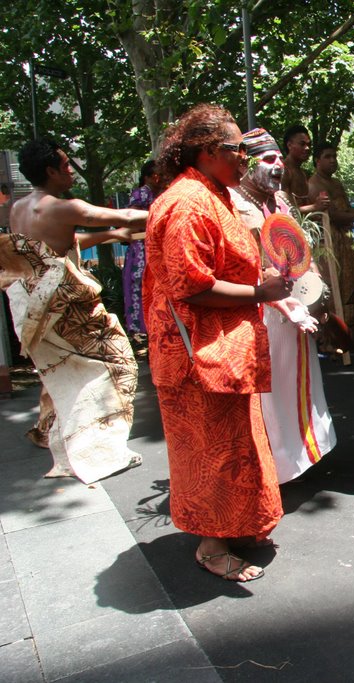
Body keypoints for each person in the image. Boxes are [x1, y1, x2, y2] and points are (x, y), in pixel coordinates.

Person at [145, 104, 292, 582]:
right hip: (196, 358)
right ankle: (211, 546)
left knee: (238, 444)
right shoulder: (188, 203)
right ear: (208, 153)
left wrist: (260, 278)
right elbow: (191, 285)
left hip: (224, 350)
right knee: (210, 451)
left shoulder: (214, 193)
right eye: (237, 151)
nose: (245, 160)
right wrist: (260, 291)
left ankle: (238, 525)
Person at [2, 139, 144, 484]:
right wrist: (182, 207)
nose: (70, 170)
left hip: (31, 307)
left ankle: (57, 434)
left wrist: (114, 235)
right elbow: (124, 213)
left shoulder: (19, 209)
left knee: (61, 370)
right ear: (50, 171)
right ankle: (99, 449)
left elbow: (58, 245)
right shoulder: (64, 207)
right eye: (65, 165)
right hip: (63, 308)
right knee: (118, 363)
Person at [229, 128, 337, 484]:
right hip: (263, 313)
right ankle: (274, 470)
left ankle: (301, 458)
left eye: (279, 158)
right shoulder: (233, 204)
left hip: (296, 312)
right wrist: (285, 304)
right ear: (247, 163)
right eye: (269, 159)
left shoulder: (283, 202)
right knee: (271, 393)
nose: (277, 166)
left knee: (298, 385)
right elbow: (246, 267)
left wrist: (317, 293)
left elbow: (302, 252)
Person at [307, 141, 354, 324]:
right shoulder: (314, 184)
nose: (333, 160)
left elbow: (347, 209)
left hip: (345, 242)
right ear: (317, 161)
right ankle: (332, 336)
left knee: (348, 287)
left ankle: (349, 331)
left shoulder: (336, 182)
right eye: (327, 157)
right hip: (328, 244)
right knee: (333, 290)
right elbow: (334, 216)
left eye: (334, 156)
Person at [122, 160, 159, 342]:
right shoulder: (141, 193)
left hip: (151, 247)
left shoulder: (156, 193)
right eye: (156, 175)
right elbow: (133, 223)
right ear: (148, 177)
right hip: (141, 250)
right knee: (142, 286)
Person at [281, 124, 328, 215]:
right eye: (302, 144)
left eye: (309, 144)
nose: (307, 148)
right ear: (289, 145)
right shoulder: (284, 171)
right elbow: (284, 210)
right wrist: (315, 207)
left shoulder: (303, 173)